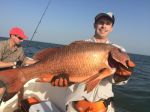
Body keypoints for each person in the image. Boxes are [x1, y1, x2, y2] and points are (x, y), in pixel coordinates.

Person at [51, 12, 134, 112]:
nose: (104, 26)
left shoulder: (118, 49)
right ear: (94, 25)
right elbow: (70, 76)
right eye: (101, 22)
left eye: (108, 23)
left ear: (111, 28)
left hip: (104, 107)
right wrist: (64, 80)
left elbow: (119, 82)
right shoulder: (80, 46)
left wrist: (123, 76)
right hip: (75, 106)